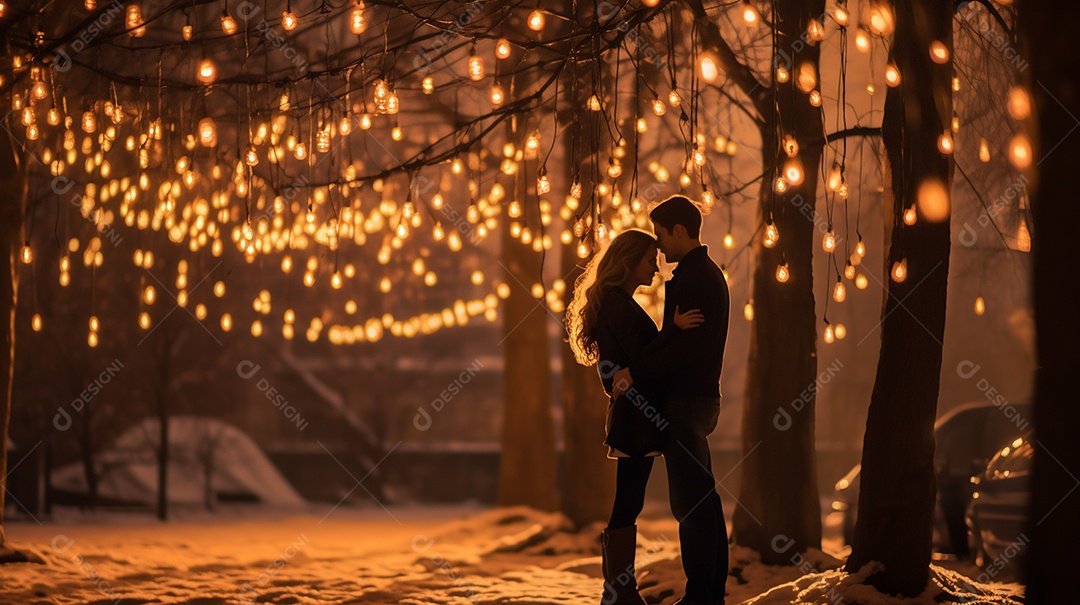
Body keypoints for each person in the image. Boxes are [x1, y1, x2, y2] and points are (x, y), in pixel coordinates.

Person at [566, 228, 703, 605]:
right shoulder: (617, 304)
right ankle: (618, 591)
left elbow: (625, 366)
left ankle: (618, 590)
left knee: (629, 501)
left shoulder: (617, 302)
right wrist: (673, 330)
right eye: (649, 261)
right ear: (628, 262)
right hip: (636, 419)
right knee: (628, 503)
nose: (656, 269)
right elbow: (642, 358)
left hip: (635, 415)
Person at [612, 196, 731, 605]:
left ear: (680, 231)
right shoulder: (702, 273)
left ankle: (701, 596)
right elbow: (684, 341)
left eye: (661, 235)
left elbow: (688, 349)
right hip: (697, 399)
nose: (659, 245)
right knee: (703, 501)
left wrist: (637, 372)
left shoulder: (696, 277)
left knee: (691, 505)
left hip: (687, 401)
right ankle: (709, 592)